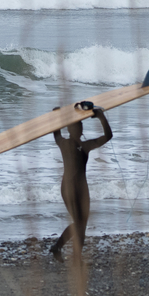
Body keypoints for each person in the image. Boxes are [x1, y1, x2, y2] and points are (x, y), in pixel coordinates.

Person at [49, 105, 112, 262]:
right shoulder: (83, 146)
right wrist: (100, 117)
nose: (79, 129)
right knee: (79, 223)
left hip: (78, 188)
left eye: (80, 126)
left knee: (82, 224)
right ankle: (58, 247)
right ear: (71, 130)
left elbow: (56, 132)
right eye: (78, 126)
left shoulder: (68, 144)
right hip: (72, 188)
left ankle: (73, 256)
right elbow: (108, 136)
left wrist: (58, 115)